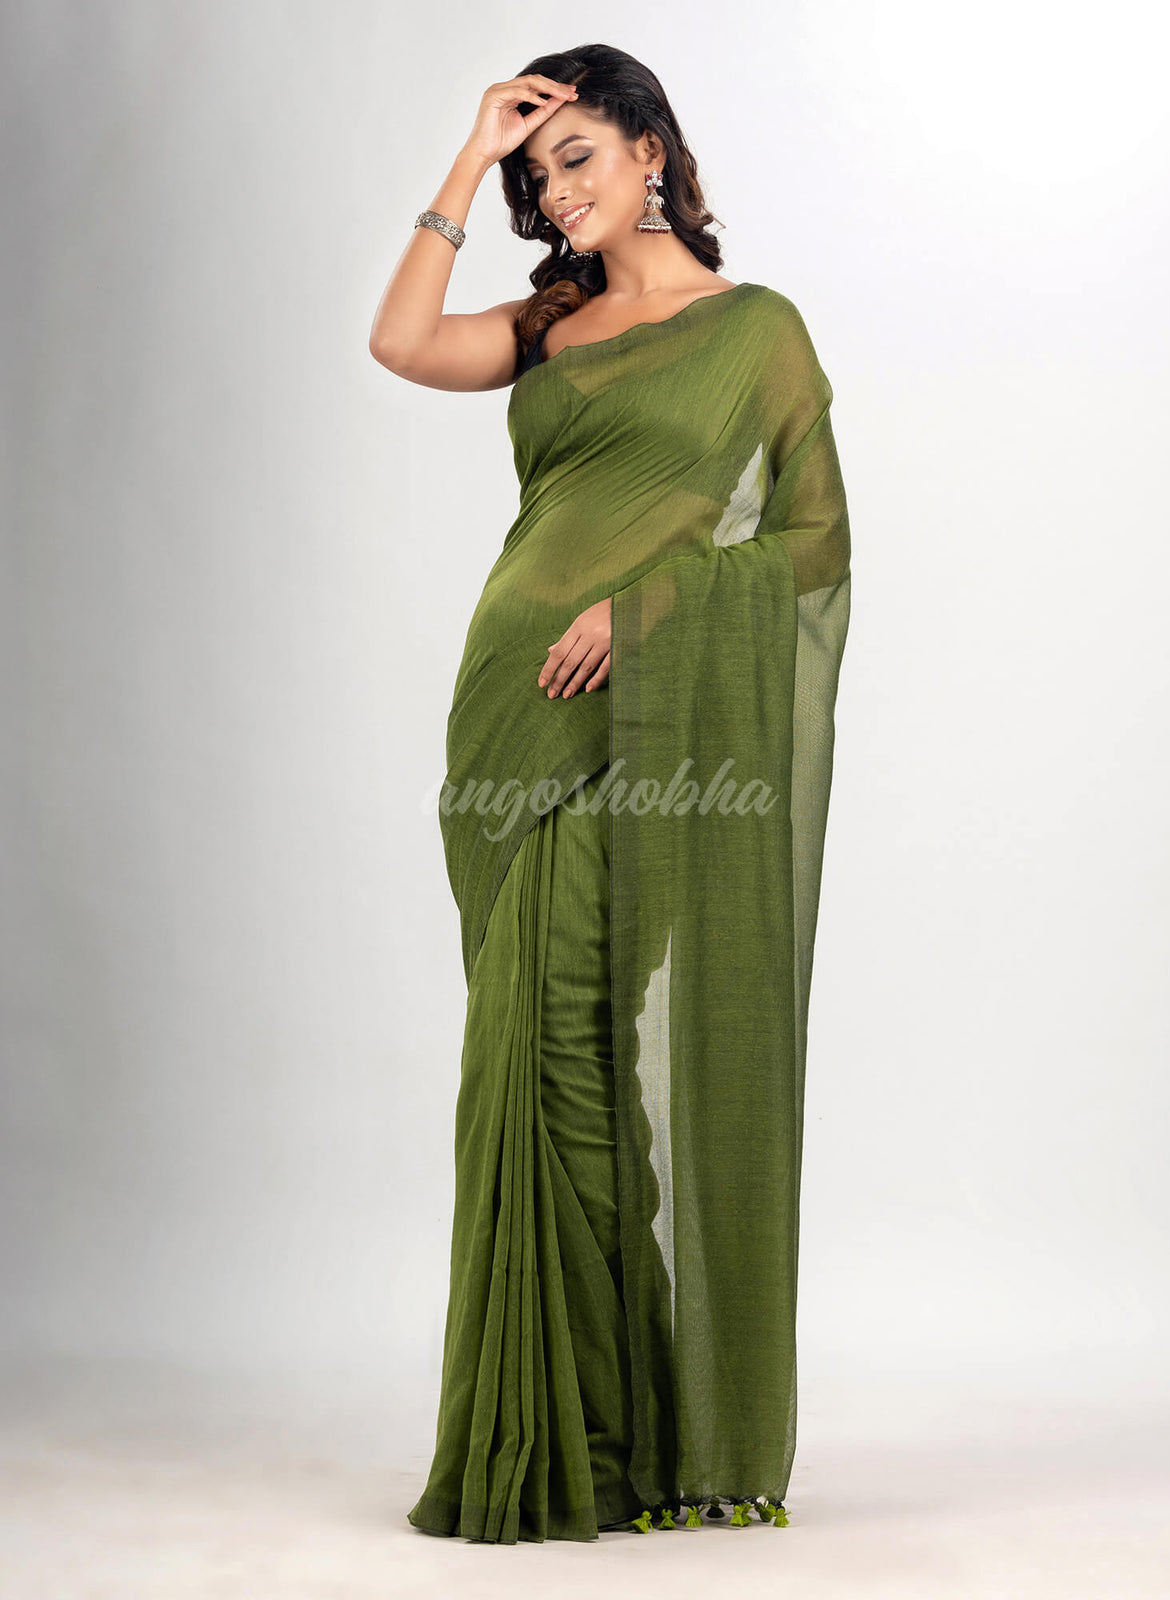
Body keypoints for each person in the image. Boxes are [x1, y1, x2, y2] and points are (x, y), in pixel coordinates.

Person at [369, 42, 852, 1545]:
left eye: (574, 154)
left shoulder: (757, 331)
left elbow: (814, 547)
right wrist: (469, 158)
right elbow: (401, 343)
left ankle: (612, 1424)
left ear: (653, 149)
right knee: (534, 1054)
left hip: (647, 726)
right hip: (506, 719)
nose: (554, 187)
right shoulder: (549, 326)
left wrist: (644, 611)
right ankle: (600, 1427)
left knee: (577, 1042)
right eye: (539, 171)